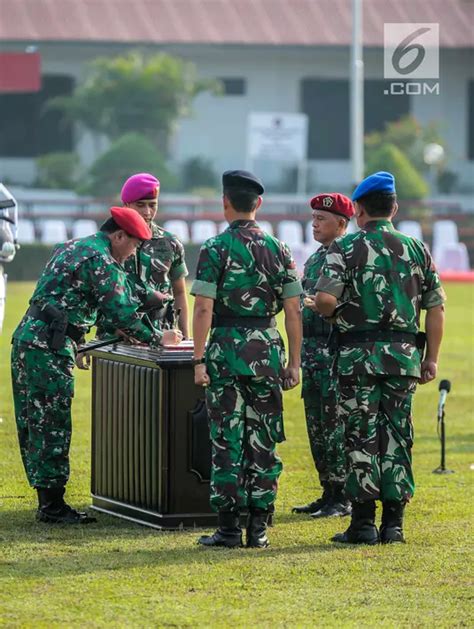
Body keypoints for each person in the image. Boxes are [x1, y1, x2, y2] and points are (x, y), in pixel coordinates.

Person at [11, 207, 182, 524]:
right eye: (132, 245)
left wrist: (150, 294)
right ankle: (52, 507)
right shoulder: (100, 260)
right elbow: (120, 312)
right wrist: (160, 338)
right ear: (118, 235)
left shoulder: (78, 247)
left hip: (29, 341)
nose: (133, 253)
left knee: (33, 423)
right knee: (51, 424)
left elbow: (120, 287)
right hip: (48, 346)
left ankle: (47, 499)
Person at [314, 171, 445, 544]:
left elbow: (324, 300)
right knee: (397, 436)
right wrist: (430, 358)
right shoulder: (417, 248)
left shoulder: (345, 248)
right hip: (404, 358)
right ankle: (394, 524)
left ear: (357, 210)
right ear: (394, 207)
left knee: (360, 437)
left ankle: (363, 524)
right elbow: (436, 308)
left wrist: (334, 311)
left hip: (357, 358)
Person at [191, 170, 302, 548]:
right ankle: (258, 528)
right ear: (259, 204)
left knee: (227, 439)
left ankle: (227, 528)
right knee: (264, 439)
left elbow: (204, 308)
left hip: (224, 350)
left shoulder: (214, 248)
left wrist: (198, 358)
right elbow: (293, 311)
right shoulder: (280, 249)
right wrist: (295, 363)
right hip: (267, 351)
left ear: (225, 203)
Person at [292, 193, 354, 519]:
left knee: (334, 426)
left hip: (334, 351)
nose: (314, 224)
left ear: (341, 224)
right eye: (313, 218)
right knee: (316, 424)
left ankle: (341, 495)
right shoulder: (317, 257)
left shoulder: (347, 255)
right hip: (312, 353)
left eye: (322, 219)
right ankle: (327, 491)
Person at [98, 173, 189, 338]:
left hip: (162, 333)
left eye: (152, 205)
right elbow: (96, 292)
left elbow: (180, 293)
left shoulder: (170, 242)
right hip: (116, 335)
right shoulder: (112, 239)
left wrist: (186, 339)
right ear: (126, 205)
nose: (147, 212)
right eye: (140, 205)